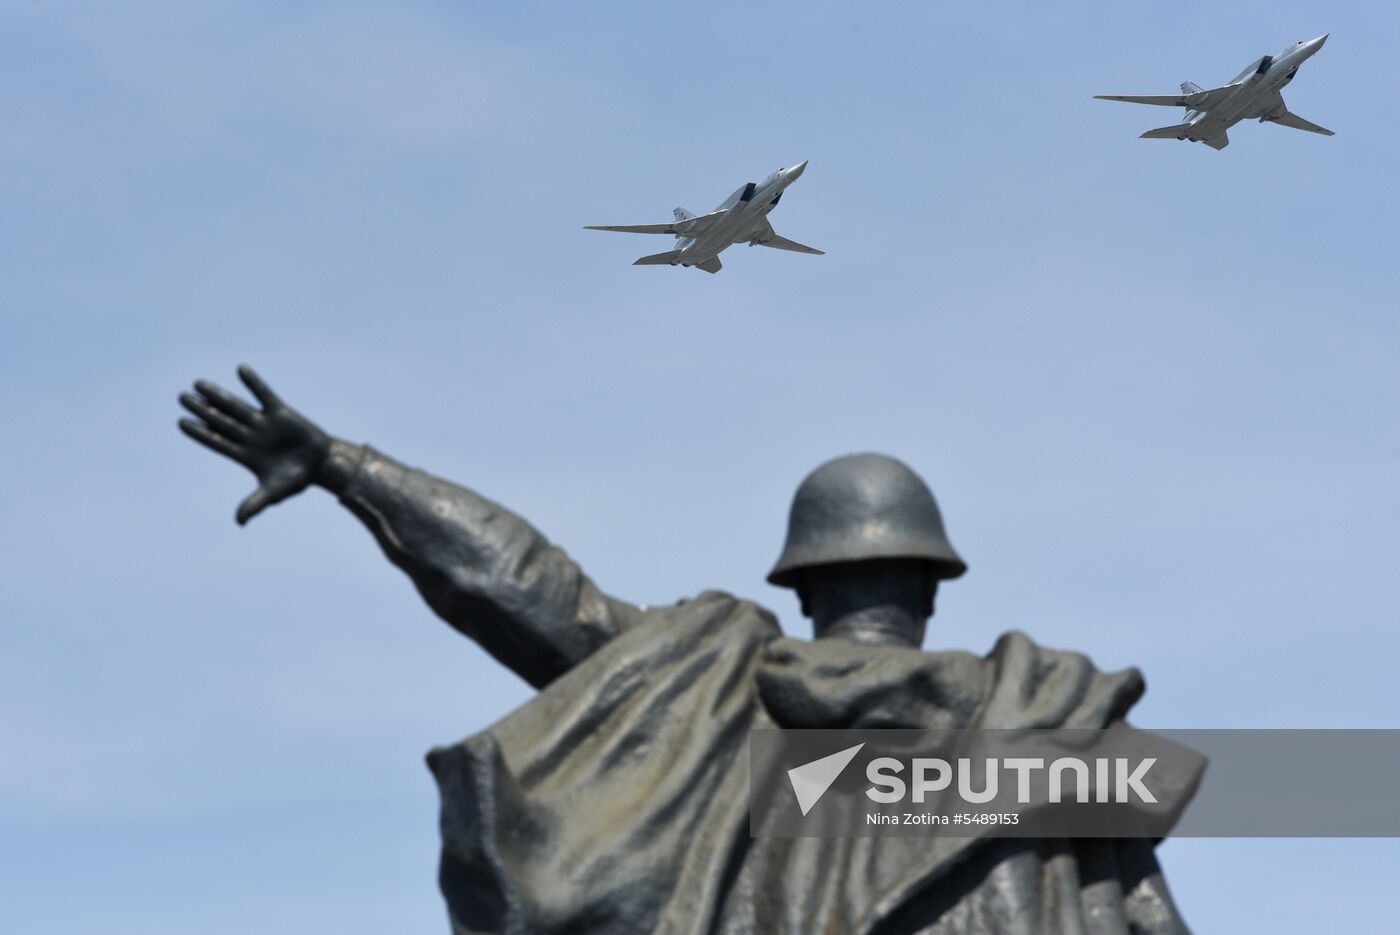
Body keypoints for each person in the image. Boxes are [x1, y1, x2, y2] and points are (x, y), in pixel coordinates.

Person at [179, 365, 1193, 934]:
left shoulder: (708, 700)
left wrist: (351, 470)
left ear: (798, 582)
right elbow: (1154, 908)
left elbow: (527, 591)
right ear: (931, 581)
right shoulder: (1052, 726)